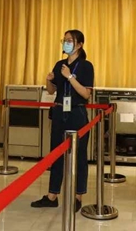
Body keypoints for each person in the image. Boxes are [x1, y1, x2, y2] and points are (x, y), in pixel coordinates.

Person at [31, 30, 94, 212]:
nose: (66, 43)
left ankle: (78, 196)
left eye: (69, 40)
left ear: (79, 44)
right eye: (64, 40)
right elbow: (52, 91)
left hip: (76, 112)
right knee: (56, 153)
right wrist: (49, 80)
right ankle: (52, 196)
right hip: (60, 111)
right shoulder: (60, 64)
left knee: (79, 155)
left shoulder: (86, 66)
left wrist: (70, 77)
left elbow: (86, 94)